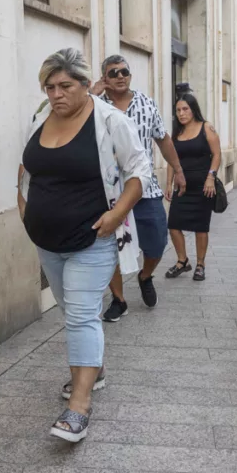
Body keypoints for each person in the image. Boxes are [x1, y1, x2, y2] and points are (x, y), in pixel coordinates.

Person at [18, 48, 149, 442]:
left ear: (85, 84)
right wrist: (24, 208)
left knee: (80, 315)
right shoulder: (40, 118)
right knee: (72, 310)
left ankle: (79, 405)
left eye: (65, 86)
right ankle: (96, 368)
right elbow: (28, 167)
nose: (56, 94)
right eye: (49, 87)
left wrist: (116, 215)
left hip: (92, 238)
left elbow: (139, 169)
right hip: (46, 241)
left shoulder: (109, 121)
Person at [89, 55, 185, 321]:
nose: (120, 76)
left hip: (145, 188)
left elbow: (163, 139)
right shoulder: (94, 105)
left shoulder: (146, 103)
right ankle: (119, 300)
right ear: (104, 78)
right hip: (108, 192)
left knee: (157, 242)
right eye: (113, 73)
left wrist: (178, 170)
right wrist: (91, 95)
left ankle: (145, 275)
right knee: (109, 248)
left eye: (124, 72)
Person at [165, 93, 221, 282]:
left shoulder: (206, 127)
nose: (181, 113)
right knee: (173, 224)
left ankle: (200, 265)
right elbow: (171, 160)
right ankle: (182, 261)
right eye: (178, 110)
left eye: (185, 109)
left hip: (203, 187)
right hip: (181, 188)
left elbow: (217, 154)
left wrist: (211, 177)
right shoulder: (176, 133)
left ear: (193, 109)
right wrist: (168, 183)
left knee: (201, 227)